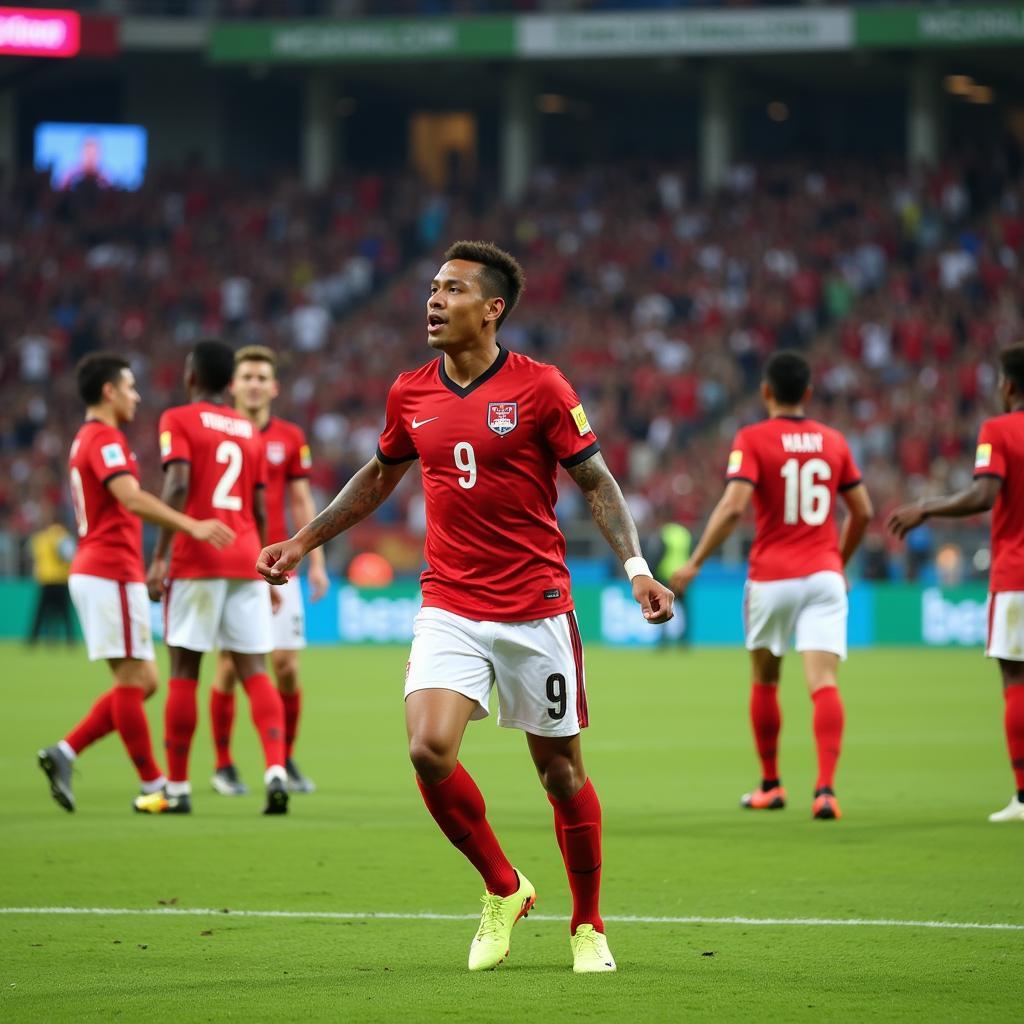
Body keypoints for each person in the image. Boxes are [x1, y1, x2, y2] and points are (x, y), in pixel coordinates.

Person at [257, 241, 674, 973]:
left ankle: (588, 925)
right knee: (427, 749)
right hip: (449, 601)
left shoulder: (542, 387)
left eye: (452, 289)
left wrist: (637, 568)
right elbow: (380, 475)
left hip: (536, 606)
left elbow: (599, 483)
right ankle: (503, 886)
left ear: (492, 309)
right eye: (432, 287)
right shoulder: (409, 392)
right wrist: (302, 540)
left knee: (560, 775)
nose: (434, 299)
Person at [671, 351, 873, 820]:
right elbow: (862, 511)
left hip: (773, 577)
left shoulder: (753, 438)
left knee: (766, 679)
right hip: (824, 576)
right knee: (823, 682)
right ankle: (825, 790)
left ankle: (771, 785)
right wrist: (836, 562)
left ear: (766, 392)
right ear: (807, 393)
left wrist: (696, 561)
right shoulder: (834, 441)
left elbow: (734, 506)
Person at [37, 352, 235, 813]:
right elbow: (129, 496)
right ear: (108, 391)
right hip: (107, 570)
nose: (136, 395)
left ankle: (65, 753)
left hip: (107, 570)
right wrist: (192, 525)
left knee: (143, 680)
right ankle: (157, 784)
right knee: (133, 680)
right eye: (129, 387)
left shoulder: (93, 438)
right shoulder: (103, 438)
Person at [136, 339, 288, 817]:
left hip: (197, 557)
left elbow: (178, 484)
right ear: (230, 383)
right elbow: (261, 506)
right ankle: (276, 770)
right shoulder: (249, 428)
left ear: (191, 377)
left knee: (185, 671)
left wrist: (160, 555)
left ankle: (176, 789)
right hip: (245, 556)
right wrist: (266, 564)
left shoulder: (178, 419)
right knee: (255, 671)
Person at [888, 343, 1024, 823]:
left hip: (1017, 574)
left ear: (1007, 386)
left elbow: (985, 494)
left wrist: (926, 506)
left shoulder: (1001, 429)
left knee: (1015, 676)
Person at [209, 345, 329, 797]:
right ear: (233, 385)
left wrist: (315, 559)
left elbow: (301, 500)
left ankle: (284, 757)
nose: (255, 384)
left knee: (286, 667)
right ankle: (223, 764)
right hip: (233, 563)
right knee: (229, 666)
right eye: (247, 377)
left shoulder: (289, 436)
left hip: (282, 563)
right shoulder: (219, 432)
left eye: (263, 377)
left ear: (274, 387)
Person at [27, 505, 75, 646]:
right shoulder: (64, 537)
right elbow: (69, 556)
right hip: (61, 580)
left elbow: (34, 558)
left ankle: (32, 641)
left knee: (40, 614)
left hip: (46, 580)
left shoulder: (40, 538)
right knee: (65, 614)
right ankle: (70, 641)